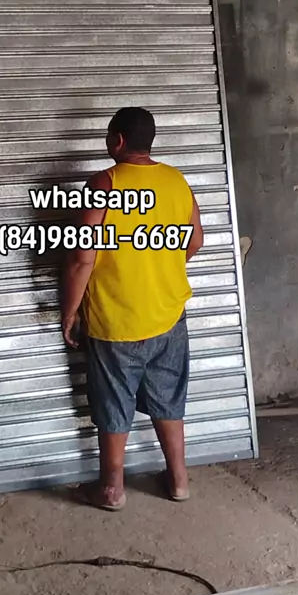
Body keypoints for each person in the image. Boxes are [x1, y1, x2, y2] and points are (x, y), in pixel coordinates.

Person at [61, 107, 204, 512]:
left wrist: (69, 312)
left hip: (116, 320)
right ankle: (179, 481)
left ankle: (111, 490)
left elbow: (82, 258)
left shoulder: (103, 185)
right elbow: (195, 240)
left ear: (118, 140)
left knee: (114, 402)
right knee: (168, 396)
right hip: (168, 315)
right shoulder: (176, 180)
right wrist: (159, 268)